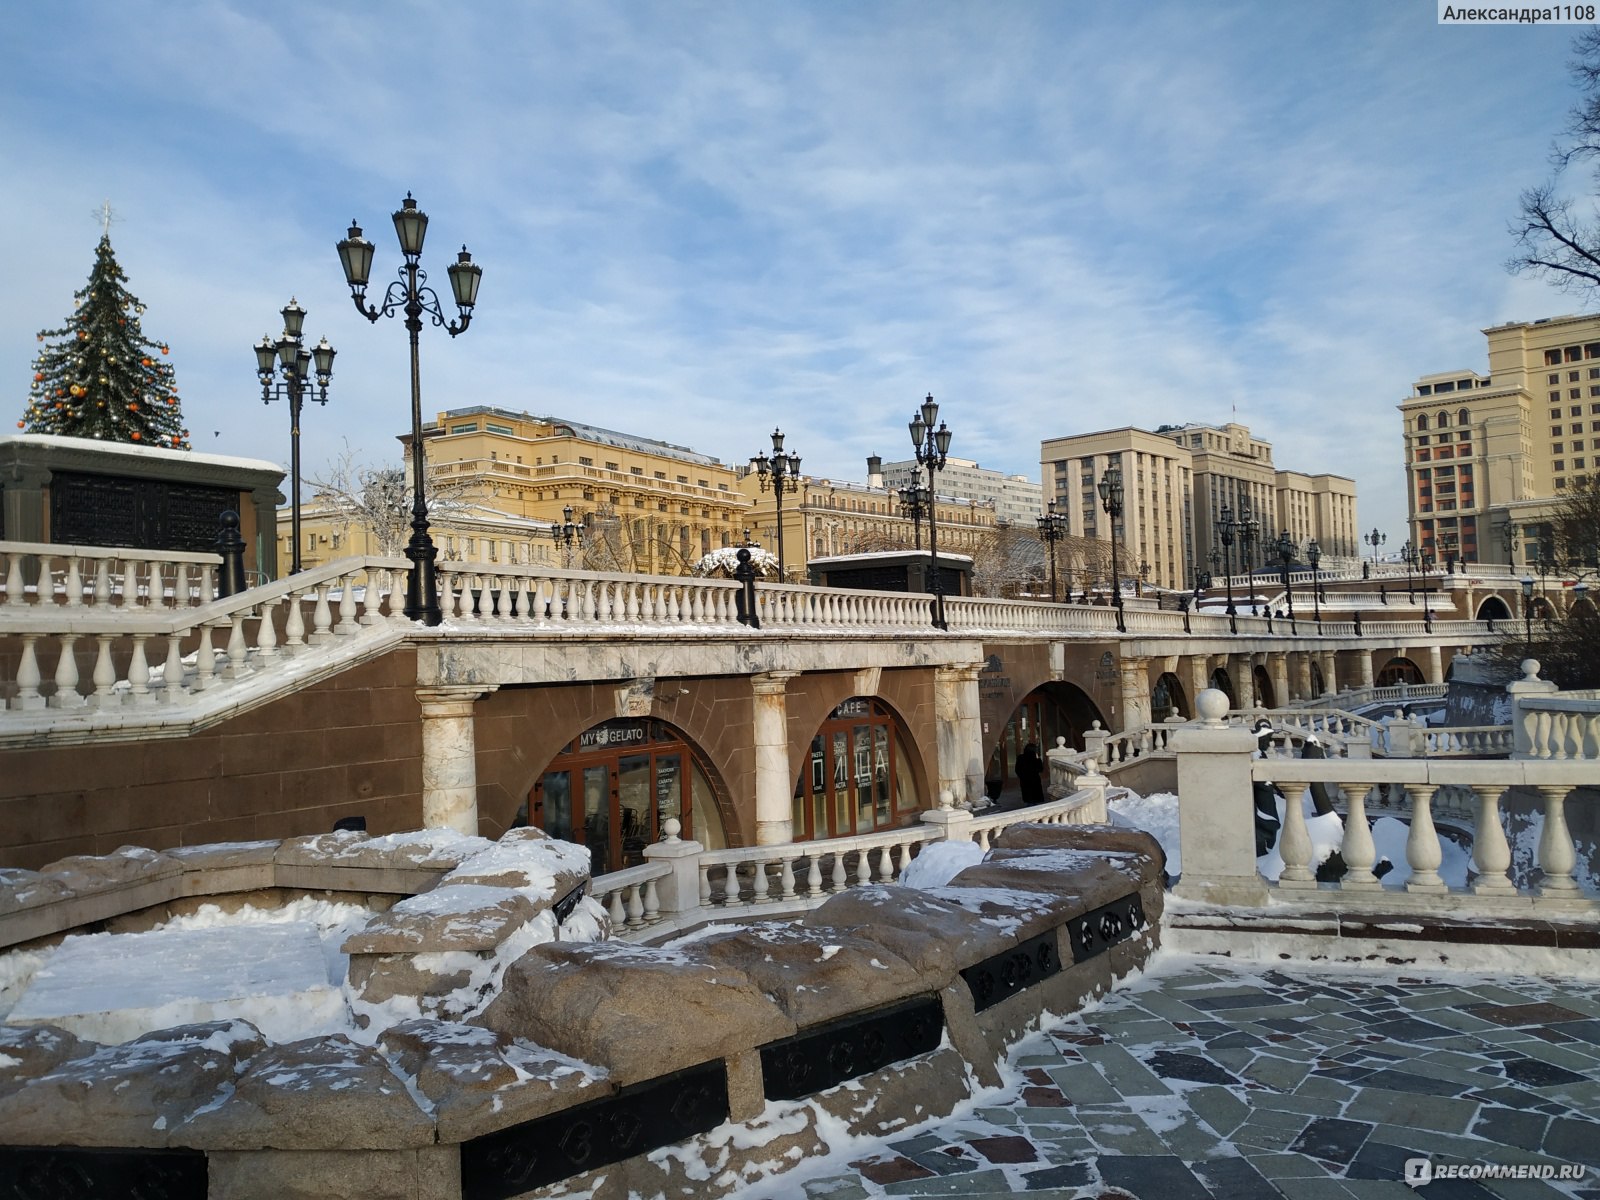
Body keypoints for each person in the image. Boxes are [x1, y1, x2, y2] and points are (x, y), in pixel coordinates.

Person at [1015, 741, 1046, 806]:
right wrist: (1038, 759)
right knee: (1036, 801)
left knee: (1028, 800)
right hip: (1034, 780)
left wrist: (1021, 776)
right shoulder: (1035, 759)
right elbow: (1040, 769)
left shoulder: (1020, 757)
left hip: (1024, 781)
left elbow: (1017, 769)